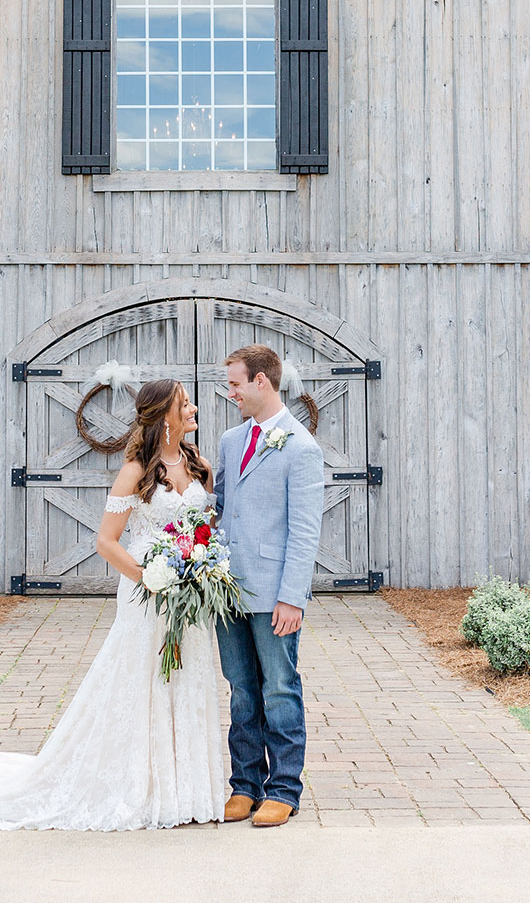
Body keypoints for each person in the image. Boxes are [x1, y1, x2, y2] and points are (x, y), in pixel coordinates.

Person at [0, 379, 228, 830]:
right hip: (147, 595)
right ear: (164, 415)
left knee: (186, 680)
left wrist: (199, 568)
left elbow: (204, 531)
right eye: (184, 403)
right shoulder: (136, 469)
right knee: (143, 680)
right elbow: (106, 541)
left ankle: (186, 787)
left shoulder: (201, 466)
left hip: (188, 598)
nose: (193, 408)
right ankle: (141, 784)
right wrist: (149, 579)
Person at [211, 343, 324, 829]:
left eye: (235, 383)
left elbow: (305, 530)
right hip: (226, 588)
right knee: (240, 690)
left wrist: (291, 597)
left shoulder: (301, 447)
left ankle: (284, 789)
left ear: (261, 381)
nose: (229, 391)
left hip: (274, 593)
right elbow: (217, 509)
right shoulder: (231, 440)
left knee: (279, 688)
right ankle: (244, 785)